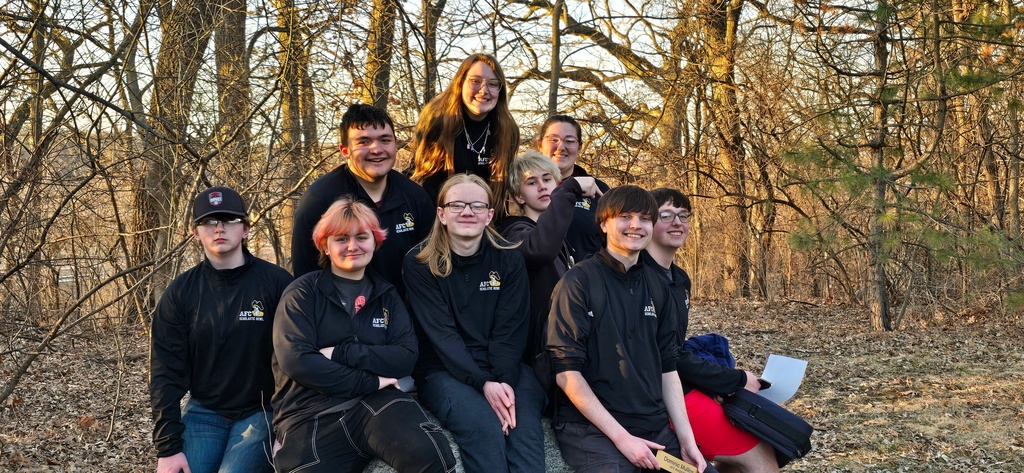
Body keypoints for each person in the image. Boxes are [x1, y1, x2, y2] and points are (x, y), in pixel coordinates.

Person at [271, 197, 456, 472]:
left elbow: (405, 357)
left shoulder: (387, 295)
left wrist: (340, 353)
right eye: (341, 239)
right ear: (325, 245)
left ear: (375, 242)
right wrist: (370, 380)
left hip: (378, 404)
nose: (352, 246)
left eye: (361, 237)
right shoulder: (302, 293)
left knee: (434, 457)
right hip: (311, 413)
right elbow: (299, 362)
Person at [546, 185, 707, 473]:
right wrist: (622, 438)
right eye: (625, 217)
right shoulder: (578, 283)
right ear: (604, 223)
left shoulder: (659, 285)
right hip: (593, 431)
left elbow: (668, 367)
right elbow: (567, 374)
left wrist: (686, 440)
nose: (636, 225)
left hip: (654, 428)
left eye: (645, 218)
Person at [403, 174, 546, 472]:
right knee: (484, 428)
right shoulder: (419, 263)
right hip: (444, 370)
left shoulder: (509, 259)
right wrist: (483, 383)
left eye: (477, 205)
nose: (467, 212)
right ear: (441, 214)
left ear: (489, 215)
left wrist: (502, 382)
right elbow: (442, 336)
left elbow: (511, 330)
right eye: (457, 205)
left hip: (506, 368)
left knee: (525, 431)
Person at [150, 186, 294, 473]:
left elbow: (295, 364)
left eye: (229, 220)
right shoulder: (180, 293)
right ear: (195, 231)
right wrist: (168, 449)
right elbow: (165, 372)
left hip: (262, 412)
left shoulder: (277, 284)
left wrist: (286, 429)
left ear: (246, 229)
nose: (219, 228)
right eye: (209, 222)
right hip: (205, 410)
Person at [645, 188, 780, 473]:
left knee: (763, 434)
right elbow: (666, 355)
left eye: (683, 216)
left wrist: (719, 383)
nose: (677, 222)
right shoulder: (639, 277)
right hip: (659, 395)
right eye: (666, 215)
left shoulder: (679, 278)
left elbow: (675, 347)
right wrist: (733, 380)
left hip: (681, 385)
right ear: (647, 222)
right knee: (759, 449)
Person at [291, 103, 433, 296]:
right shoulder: (319, 200)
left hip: (403, 316)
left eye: (385, 140)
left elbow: (430, 267)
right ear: (345, 150)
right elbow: (305, 274)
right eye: (363, 142)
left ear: (395, 144)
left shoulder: (416, 197)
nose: (376, 149)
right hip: (341, 316)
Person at [498, 151, 602, 364]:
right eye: (531, 183)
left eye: (547, 179)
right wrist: (570, 189)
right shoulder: (513, 232)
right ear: (519, 196)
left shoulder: (558, 236)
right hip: (536, 353)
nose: (542, 186)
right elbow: (540, 248)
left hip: (565, 341)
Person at [410, 53, 520, 215]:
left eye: (493, 84)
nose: (484, 91)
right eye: (475, 81)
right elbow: (426, 179)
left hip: (484, 217)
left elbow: (500, 189)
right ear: (460, 83)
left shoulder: (507, 129)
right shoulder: (436, 119)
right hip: (437, 214)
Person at [536, 115, 610, 262]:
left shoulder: (599, 190)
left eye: (569, 141)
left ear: (579, 147)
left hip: (586, 280)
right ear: (540, 144)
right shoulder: (522, 189)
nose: (561, 147)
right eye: (553, 140)